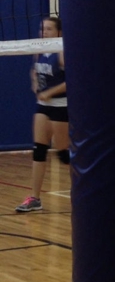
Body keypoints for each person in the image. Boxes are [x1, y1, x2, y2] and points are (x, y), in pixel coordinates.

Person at [16, 16, 69, 212]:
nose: (44, 32)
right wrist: (35, 83)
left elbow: (72, 81)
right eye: (42, 28)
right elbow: (34, 72)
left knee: (64, 154)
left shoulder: (62, 52)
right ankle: (35, 198)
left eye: (48, 29)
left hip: (61, 105)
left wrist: (49, 92)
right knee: (39, 150)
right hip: (43, 106)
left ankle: (85, 191)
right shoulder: (38, 51)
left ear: (59, 33)